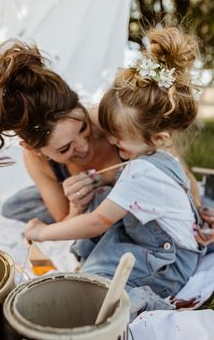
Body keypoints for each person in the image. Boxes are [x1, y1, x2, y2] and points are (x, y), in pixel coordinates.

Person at [24, 26, 207, 316]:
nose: (108, 140)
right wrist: (98, 180)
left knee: (89, 284)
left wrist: (43, 232)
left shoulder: (140, 172)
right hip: (171, 246)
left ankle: (142, 304)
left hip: (169, 262)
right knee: (100, 220)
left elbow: (96, 222)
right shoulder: (160, 157)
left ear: (157, 139)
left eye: (118, 136)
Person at [0, 40, 121, 225]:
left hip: (128, 194)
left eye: (83, 127)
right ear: (32, 148)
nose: (83, 146)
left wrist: (104, 179)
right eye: (64, 149)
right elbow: (64, 220)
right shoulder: (35, 159)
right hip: (72, 198)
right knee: (14, 207)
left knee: (105, 199)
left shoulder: (107, 118)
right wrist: (76, 208)